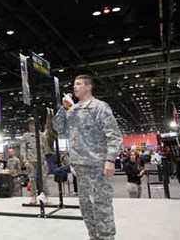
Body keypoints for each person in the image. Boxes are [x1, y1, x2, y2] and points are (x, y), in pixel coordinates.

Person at [53, 75, 123, 240]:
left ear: (88, 87)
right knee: (86, 206)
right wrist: (63, 109)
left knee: (101, 204)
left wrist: (110, 160)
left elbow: (114, 135)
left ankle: (106, 237)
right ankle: (93, 236)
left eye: (78, 84)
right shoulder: (73, 110)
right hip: (80, 166)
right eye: (74, 84)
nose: (74, 87)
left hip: (97, 164)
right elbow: (58, 128)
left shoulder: (99, 107)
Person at [21, 117, 50, 204]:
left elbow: (46, 148)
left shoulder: (41, 135)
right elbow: (23, 148)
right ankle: (33, 196)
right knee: (32, 179)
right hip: (31, 161)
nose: (32, 125)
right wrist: (25, 160)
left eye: (33, 123)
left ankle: (46, 196)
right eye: (30, 124)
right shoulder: (25, 136)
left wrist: (46, 159)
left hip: (41, 160)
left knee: (44, 179)